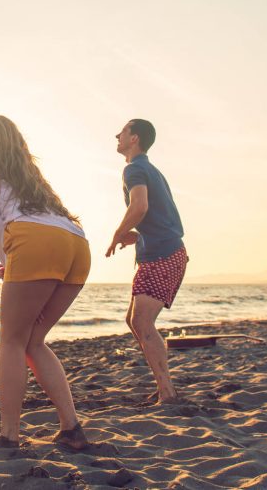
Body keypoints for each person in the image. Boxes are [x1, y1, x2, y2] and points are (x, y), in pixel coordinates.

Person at [0, 114, 91, 450]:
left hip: (34, 242)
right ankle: (71, 428)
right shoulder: (32, 178)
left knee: (11, 341)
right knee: (33, 340)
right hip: (76, 243)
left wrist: (9, 263)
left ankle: (9, 435)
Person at [105, 119, 187, 404]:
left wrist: (118, 233)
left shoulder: (135, 168)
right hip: (164, 250)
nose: (117, 135)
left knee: (141, 321)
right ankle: (165, 387)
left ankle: (167, 392)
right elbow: (159, 216)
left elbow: (140, 206)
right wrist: (137, 236)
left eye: (123, 132)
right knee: (135, 321)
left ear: (134, 139)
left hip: (163, 254)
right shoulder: (149, 169)